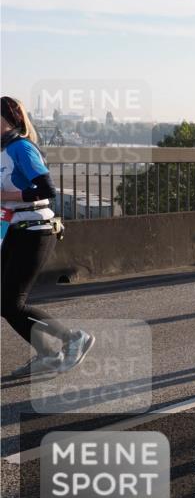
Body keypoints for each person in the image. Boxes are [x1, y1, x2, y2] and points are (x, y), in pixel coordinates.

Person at [2, 96, 95, 378]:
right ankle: (48, 354)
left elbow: (47, 189)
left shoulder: (21, 147)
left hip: (36, 230)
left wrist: (8, 196)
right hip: (15, 228)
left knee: (10, 303)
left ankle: (72, 339)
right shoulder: (3, 150)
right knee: (4, 302)